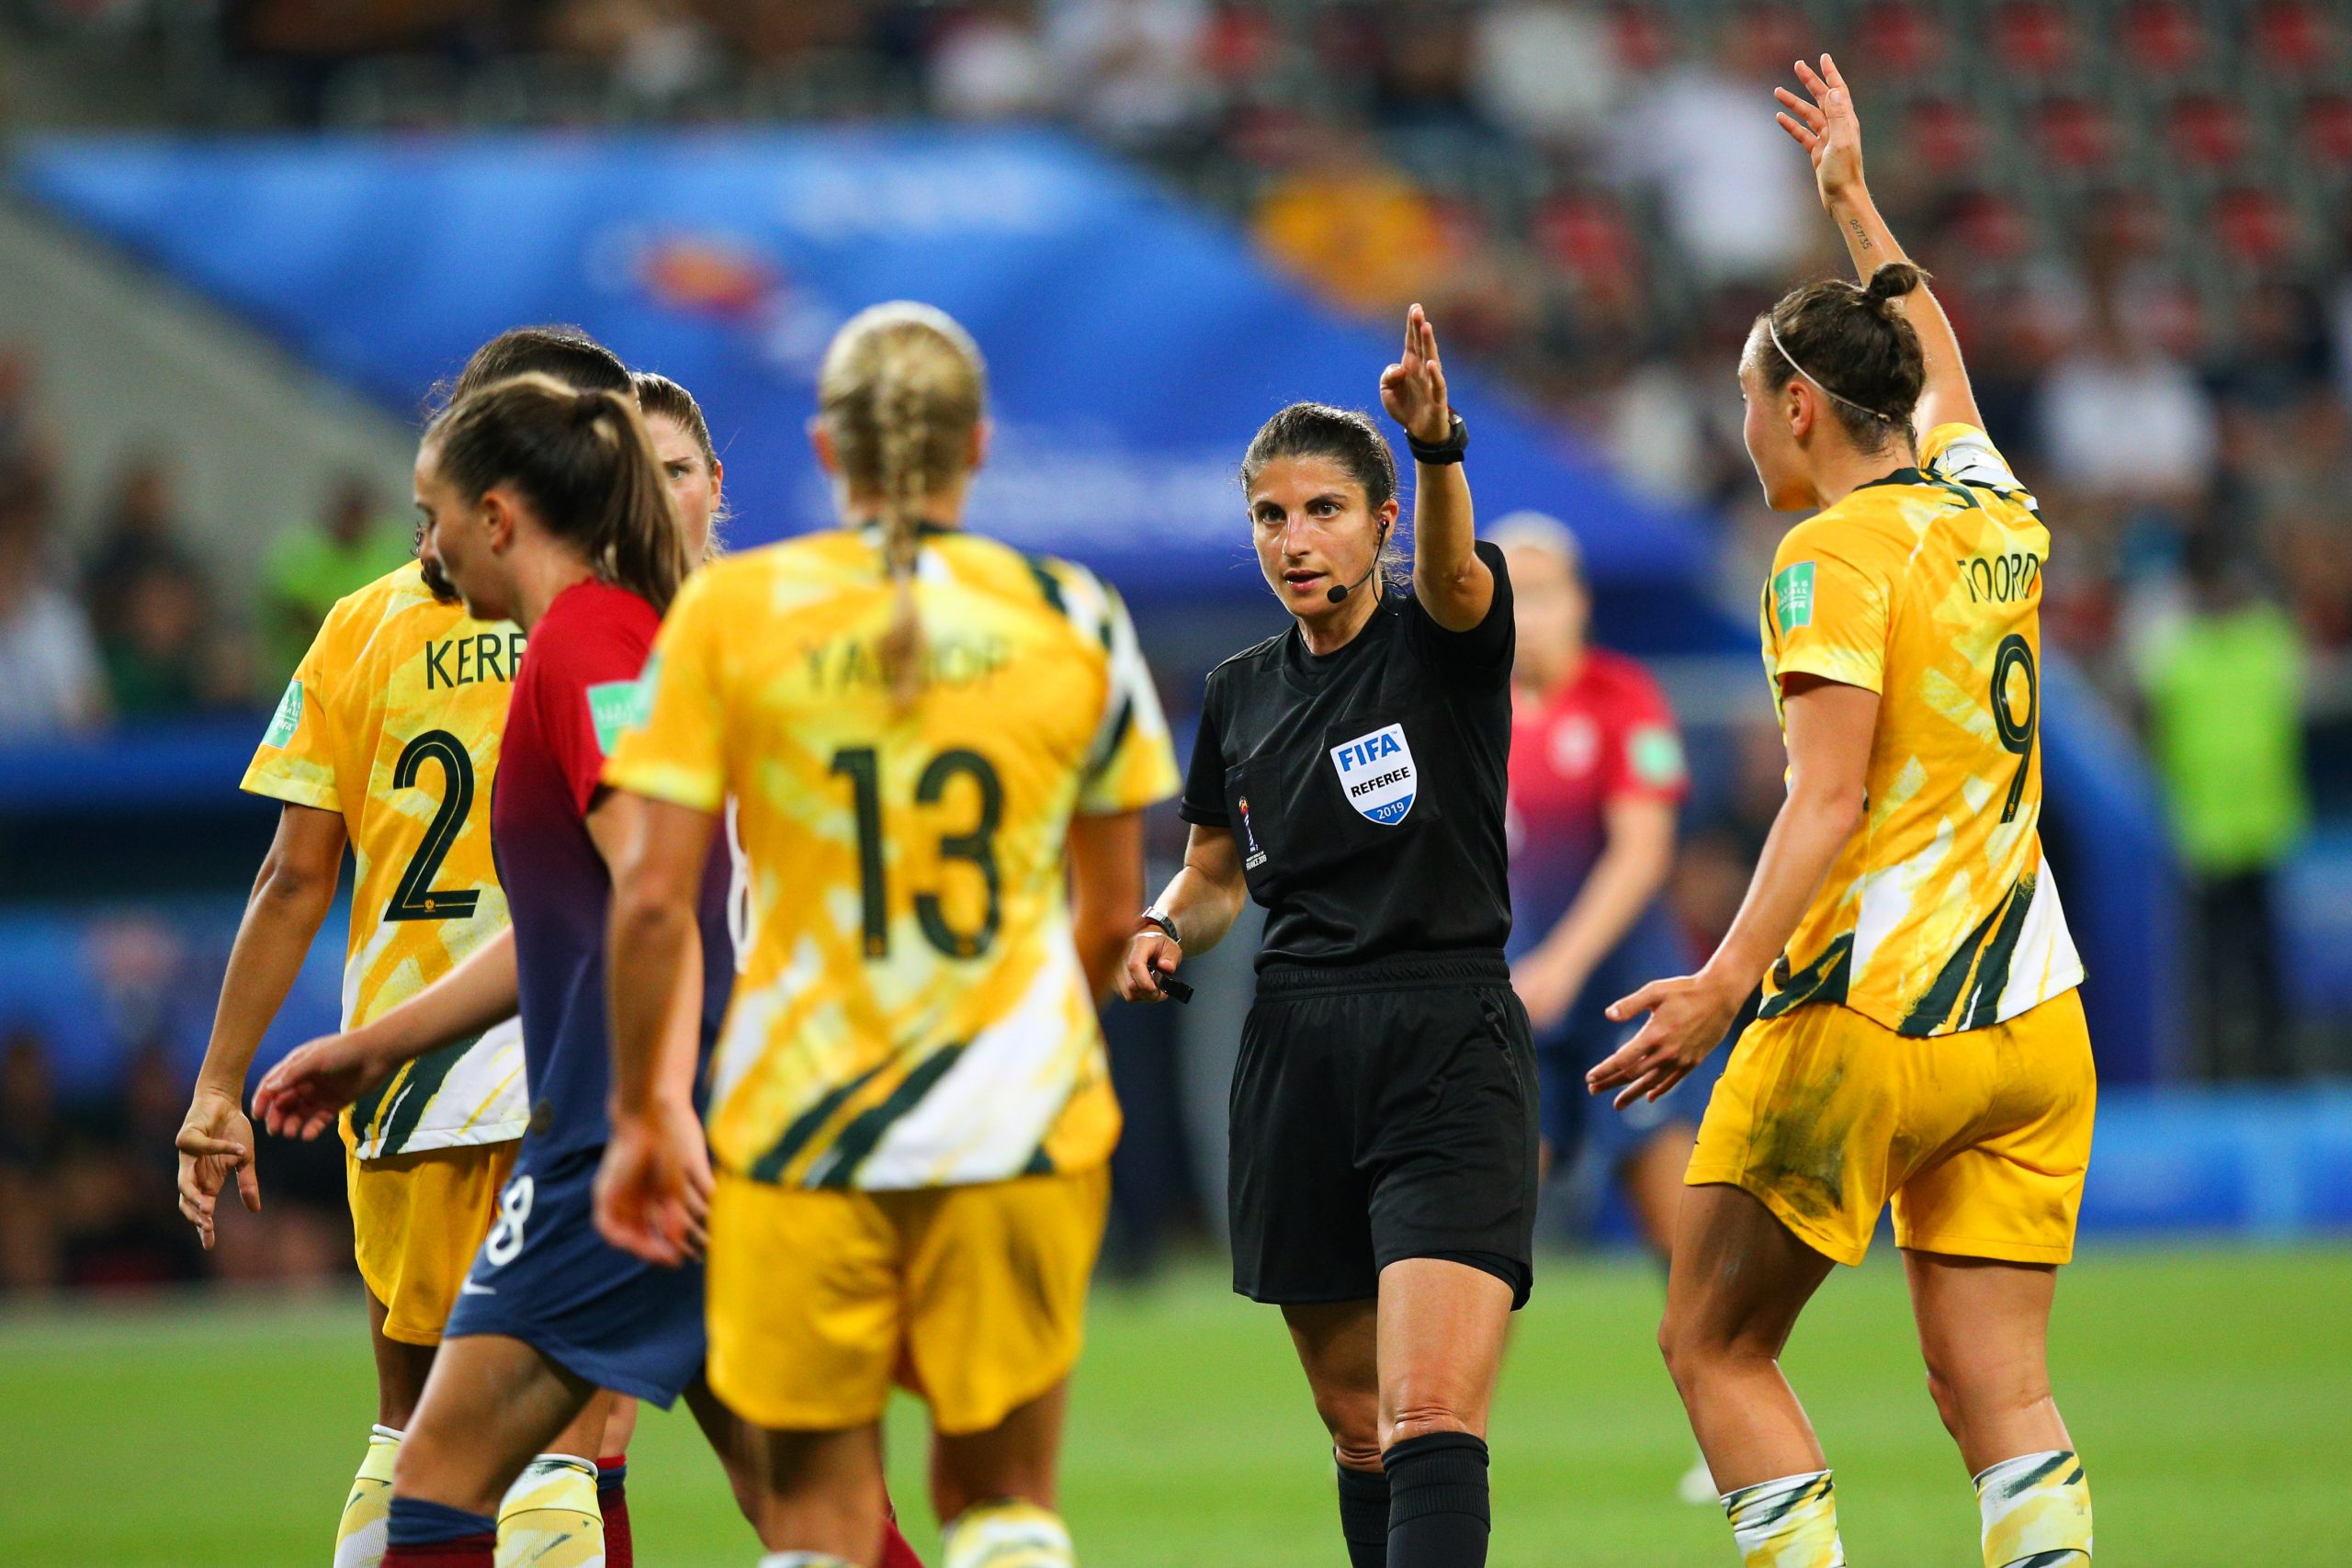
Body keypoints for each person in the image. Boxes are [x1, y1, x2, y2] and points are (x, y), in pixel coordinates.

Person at [1590, 56, 2096, 1568]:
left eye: (1748, 403)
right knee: (1996, 1389)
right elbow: (1934, 355)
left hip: (1869, 1009)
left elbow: (1825, 799)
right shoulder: (1990, 506)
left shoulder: (1829, 557)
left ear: (1801, 407)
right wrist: (1854, 200)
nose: (1743, 432)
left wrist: (1717, 986)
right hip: (2032, 1016)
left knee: (1713, 1343)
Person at [595, 300, 1179, 1568]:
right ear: (976, 444)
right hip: (1017, 1119)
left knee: (815, 1520)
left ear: (823, 446)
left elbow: (648, 898)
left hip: (802, 1121)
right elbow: (1104, 913)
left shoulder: (734, 615)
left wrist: (647, 1108)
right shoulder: (1073, 614)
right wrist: (1024, 1041)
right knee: (1005, 1500)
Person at [250, 371, 819, 1568]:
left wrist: (659, 1104)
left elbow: (649, 886)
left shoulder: (593, 647)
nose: (428, 543)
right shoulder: (595, 642)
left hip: (624, 1124)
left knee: (447, 1468)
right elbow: (595, 910)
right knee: (793, 1497)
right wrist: (379, 1041)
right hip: (661, 1109)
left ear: (500, 515)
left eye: (438, 509)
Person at [174, 326, 636, 1568]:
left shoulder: (359, 629)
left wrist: (219, 1079)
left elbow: (292, 875)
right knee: (564, 1453)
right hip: (561, 1066)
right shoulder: (602, 627)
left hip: (400, 1083)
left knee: (406, 1437)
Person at [1119, 306, 1533, 1568]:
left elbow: (1463, 574)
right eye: (1271, 516)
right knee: (1357, 1424)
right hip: (1295, 1050)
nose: (1295, 540)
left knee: (1427, 1412)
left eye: (1324, 511)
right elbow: (1212, 872)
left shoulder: (1442, 636)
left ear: (1382, 521)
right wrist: (1160, 924)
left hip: (1445, 1039)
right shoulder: (1239, 691)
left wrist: (1438, 444)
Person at [1492, 510, 1722, 1505]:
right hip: (1508, 1007)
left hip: (1627, 1001)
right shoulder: (1464, 713)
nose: (1528, 612)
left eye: (1544, 590)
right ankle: (1445, 1440)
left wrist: (1560, 962)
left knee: (1673, 1219)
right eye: (1511, 591)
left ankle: (1729, 1437)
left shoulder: (1625, 698)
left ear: (1579, 600)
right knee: (1486, 1224)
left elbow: (1642, 850)